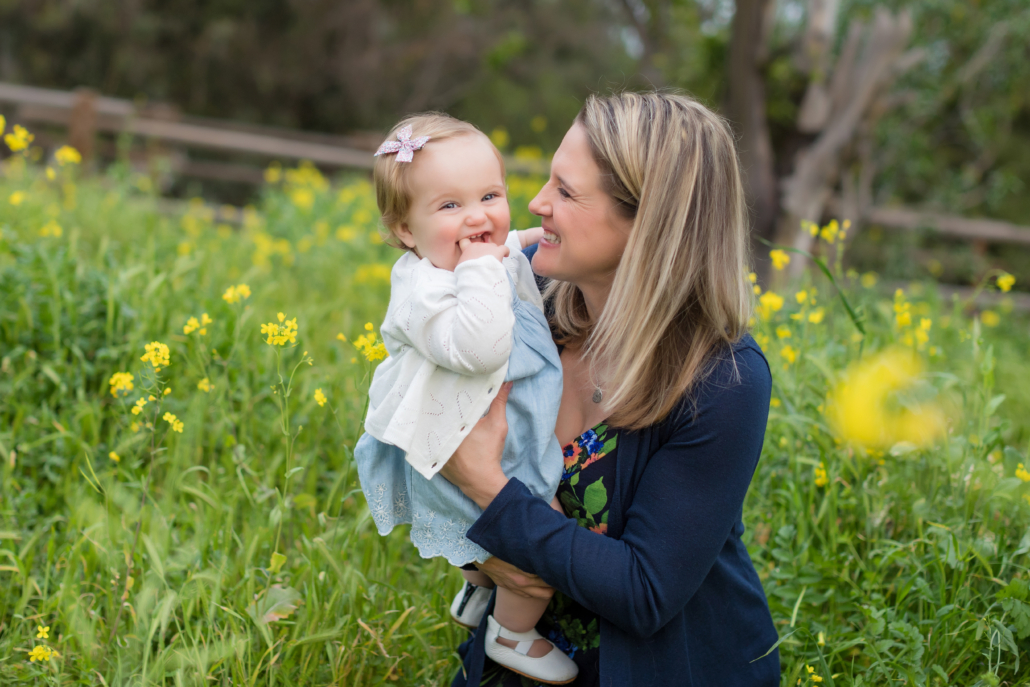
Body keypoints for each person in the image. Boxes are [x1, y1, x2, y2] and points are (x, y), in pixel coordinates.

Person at [439, 92, 781, 686]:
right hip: (515, 663)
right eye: (550, 180)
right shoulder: (525, 311)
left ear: (650, 224)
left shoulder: (723, 381)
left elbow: (645, 591)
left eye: (567, 192)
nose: (538, 203)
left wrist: (486, 489)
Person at [353, 113, 580, 684]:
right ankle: (511, 633)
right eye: (450, 206)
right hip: (456, 447)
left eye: (490, 195)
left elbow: (511, 242)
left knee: (502, 536)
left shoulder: (476, 252)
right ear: (406, 231)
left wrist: (521, 243)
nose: (478, 217)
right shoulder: (424, 288)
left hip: (497, 435)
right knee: (540, 541)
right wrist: (483, 267)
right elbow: (478, 350)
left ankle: (476, 593)